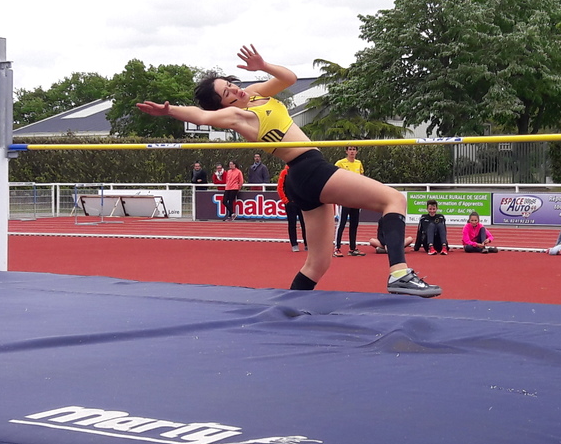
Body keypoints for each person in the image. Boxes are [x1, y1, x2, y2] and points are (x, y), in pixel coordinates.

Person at [137, 44, 440, 297]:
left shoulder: (254, 92)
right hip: (309, 168)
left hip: (300, 176)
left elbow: (289, 78)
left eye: (230, 85)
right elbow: (201, 117)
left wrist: (262, 65)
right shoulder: (238, 116)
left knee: (318, 263)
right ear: (224, 105)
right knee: (394, 199)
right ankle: (399, 273)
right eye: (227, 94)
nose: (235, 91)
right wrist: (170, 110)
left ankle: (286, 311)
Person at [334, 146, 366, 257]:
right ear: (346, 151)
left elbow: (362, 179)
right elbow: (335, 178)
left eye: (354, 149)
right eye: (350, 149)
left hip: (355, 198)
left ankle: (352, 248)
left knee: (354, 224)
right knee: (342, 223)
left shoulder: (358, 163)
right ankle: (337, 248)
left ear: (357, 151)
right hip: (344, 197)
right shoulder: (340, 163)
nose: (352, 151)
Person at [277, 165, 307, 252]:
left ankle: (307, 243)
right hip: (290, 203)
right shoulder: (284, 172)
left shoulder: (301, 171)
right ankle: (294, 244)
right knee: (292, 224)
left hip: (301, 203)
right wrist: (285, 200)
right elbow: (280, 187)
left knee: (305, 224)